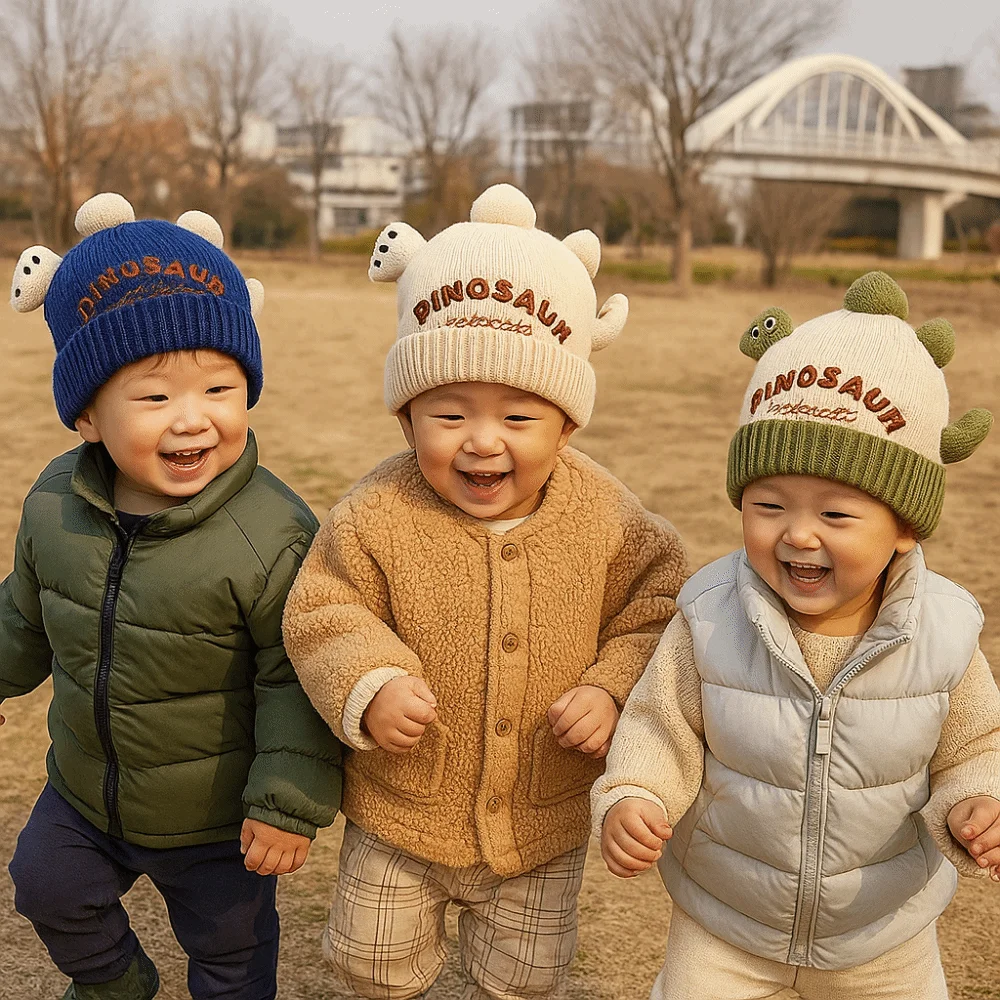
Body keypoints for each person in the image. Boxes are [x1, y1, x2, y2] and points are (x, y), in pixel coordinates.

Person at [282, 183, 687, 1000]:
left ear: (568, 424)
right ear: (406, 419)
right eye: (449, 413)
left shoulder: (605, 514)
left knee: (523, 979)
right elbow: (324, 607)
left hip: (542, 818)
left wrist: (612, 689)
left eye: (519, 417)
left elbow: (659, 606)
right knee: (369, 962)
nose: (481, 441)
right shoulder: (377, 511)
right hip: (402, 812)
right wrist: (370, 681)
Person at [593, 271, 1000, 1000]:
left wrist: (977, 800)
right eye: (768, 503)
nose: (797, 533)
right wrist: (634, 796)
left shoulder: (943, 632)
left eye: (837, 516)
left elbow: (977, 744)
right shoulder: (710, 615)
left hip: (884, 935)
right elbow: (660, 726)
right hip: (725, 925)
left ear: (904, 526)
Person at [1, 194, 342, 1000]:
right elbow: (24, 612)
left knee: (231, 957)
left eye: (220, 390)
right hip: (86, 792)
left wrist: (286, 805)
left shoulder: (273, 533)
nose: (192, 421)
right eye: (154, 398)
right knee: (43, 885)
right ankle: (114, 982)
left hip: (220, 821)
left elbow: (296, 676)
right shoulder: (55, 503)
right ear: (87, 414)